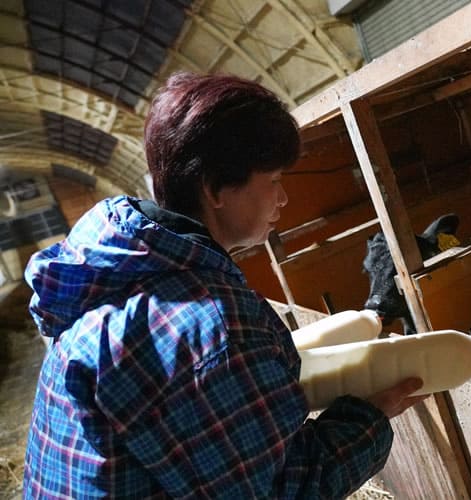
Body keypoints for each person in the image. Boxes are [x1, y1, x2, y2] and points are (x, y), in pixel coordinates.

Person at [23, 72, 427, 499]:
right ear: (215, 188)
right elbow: (280, 491)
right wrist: (371, 416)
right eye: (274, 180)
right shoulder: (210, 323)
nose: (283, 198)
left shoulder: (117, 275)